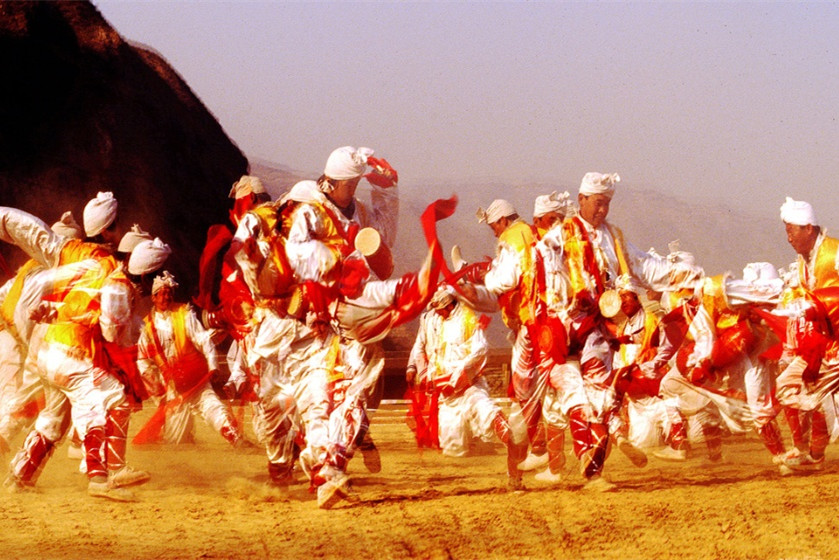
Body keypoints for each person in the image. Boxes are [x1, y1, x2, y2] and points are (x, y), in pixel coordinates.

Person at [0, 207, 171, 501]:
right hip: (68, 353)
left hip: (49, 349)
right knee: (110, 397)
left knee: (55, 417)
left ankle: (19, 476)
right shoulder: (113, 281)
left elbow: (30, 230)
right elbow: (110, 333)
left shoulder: (88, 263)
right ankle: (104, 475)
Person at [407, 286, 527, 480]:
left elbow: (480, 350)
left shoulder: (468, 318)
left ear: (449, 304)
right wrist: (419, 371)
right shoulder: (430, 320)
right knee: (454, 448)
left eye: (440, 308)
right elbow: (419, 347)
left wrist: (460, 376)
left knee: (488, 413)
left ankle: (515, 454)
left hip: (468, 387)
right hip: (446, 396)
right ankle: (478, 439)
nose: (437, 312)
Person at [136, 271, 246, 447]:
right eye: (162, 294)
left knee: (214, 408)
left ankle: (237, 439)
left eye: (169, 293)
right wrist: (158, 392)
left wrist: (213, 366)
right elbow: (143, 362)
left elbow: (203, 340)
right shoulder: (147, 326)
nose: (166, 297)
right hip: (173, 387)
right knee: (177, 443)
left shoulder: (184, 314)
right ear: (154, 298)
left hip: (197, 378)